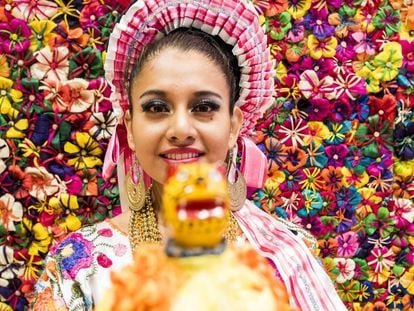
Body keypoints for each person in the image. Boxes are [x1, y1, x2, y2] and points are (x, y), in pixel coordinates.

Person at [32, 0, 347, 310]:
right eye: (157, 108)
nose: (180, 129)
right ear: (129, 127)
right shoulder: (80, 267)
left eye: (204, 107)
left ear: (234, 125)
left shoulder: (286, 252)